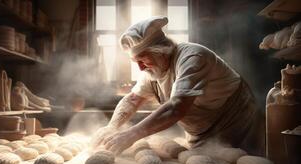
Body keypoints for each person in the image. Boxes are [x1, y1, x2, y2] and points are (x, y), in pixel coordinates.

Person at [92, 16, 265, 156]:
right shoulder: (153, 71)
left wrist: (131, 135)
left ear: (160, 50)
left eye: (143, 59)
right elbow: (132, 99)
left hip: (236, 121)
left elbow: (176, 108)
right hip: (201, 131)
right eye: (135, 62)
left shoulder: (192, 57)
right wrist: (112, 127)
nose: (140, 68)